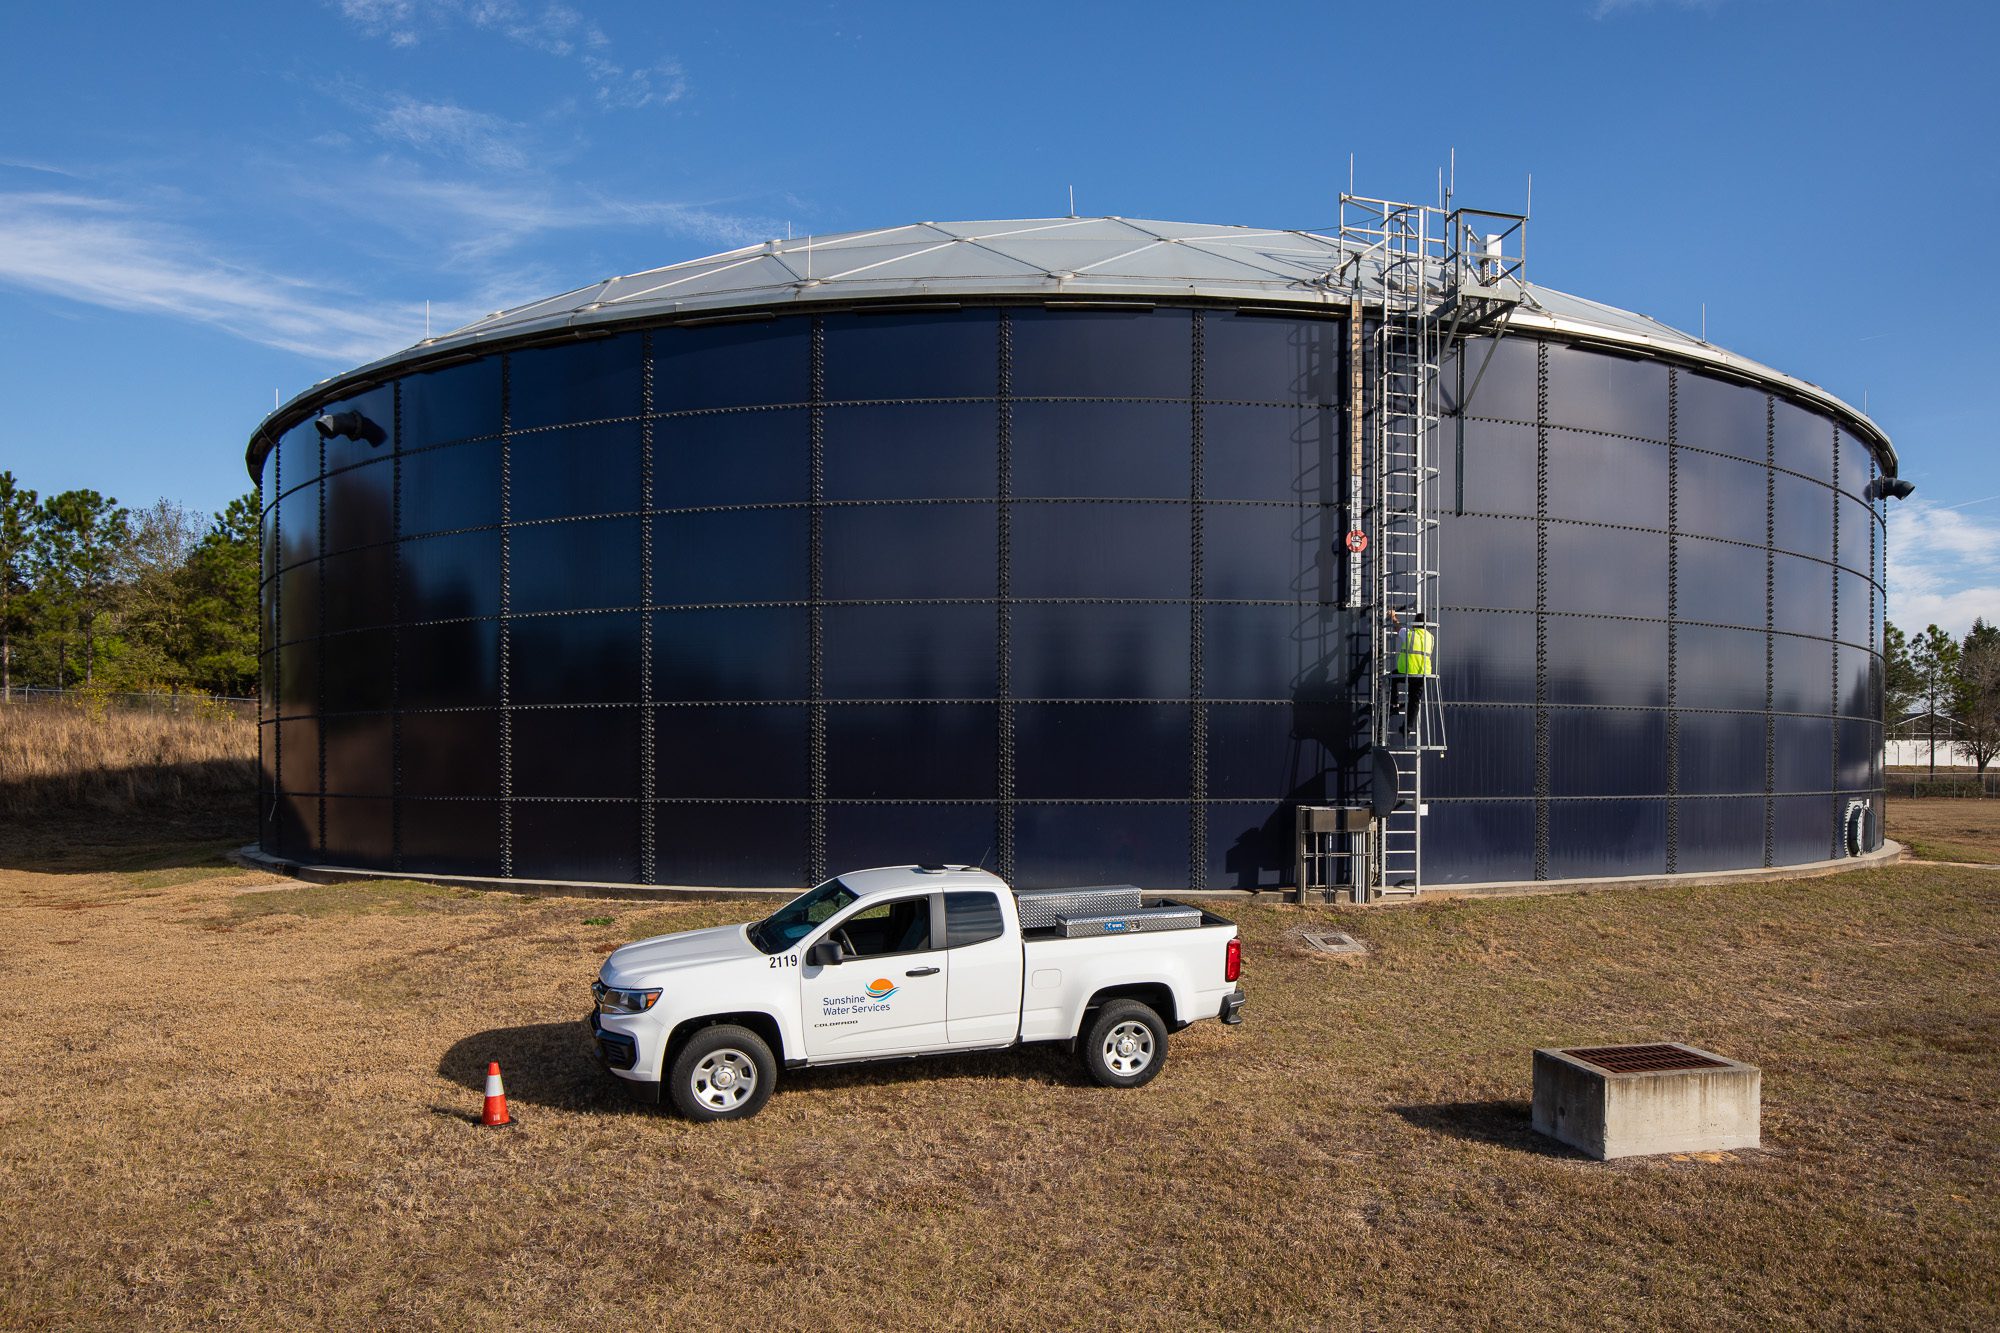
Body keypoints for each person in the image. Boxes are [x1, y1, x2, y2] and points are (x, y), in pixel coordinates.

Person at [1389, 608, 1434, 726]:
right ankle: (1407, 728)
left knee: (1392, 677)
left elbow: (1397, 627)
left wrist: (1393, 617)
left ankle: (1394, 705)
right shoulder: (1430, 638)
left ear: (1415, 624)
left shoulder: (1410, 634)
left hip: (1409, 672)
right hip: (1423, 675)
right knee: (1415, 701)